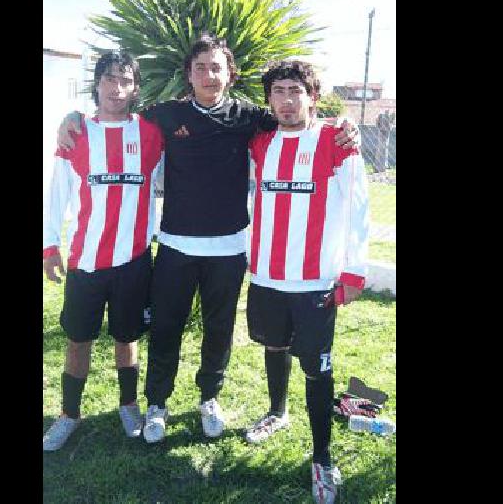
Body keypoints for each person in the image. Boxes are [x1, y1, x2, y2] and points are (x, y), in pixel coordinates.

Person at [56, 33, 358, 445]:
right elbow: (114, 113)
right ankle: (157, 402)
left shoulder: (251, 118)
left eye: (216, 67)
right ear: (189, 75)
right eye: (200, 68)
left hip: (229, 248)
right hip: (176, 246)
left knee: (219, 330)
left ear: (229, 75)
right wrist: (71, 115)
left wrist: (346, 125)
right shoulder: (164, 115)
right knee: (166, 328)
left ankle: (209, 398)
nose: (209, 75)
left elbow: (302, 121)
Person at [243, 60, 369, 503]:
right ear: (269, 99)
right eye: (278, 91)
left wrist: (353, 272)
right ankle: (277, 412)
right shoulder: (260, 141)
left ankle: (322, 458)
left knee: (316, 367)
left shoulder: (336, 140)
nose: (287, 100)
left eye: (295, 90)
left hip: (315, 281)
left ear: (313, 96)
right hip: (266, 275)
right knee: (273, 346)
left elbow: (357, 208)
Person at [42, 51, 163, 451]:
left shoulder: (151, 133)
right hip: (86, 260)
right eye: (109, 79)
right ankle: (69, 415)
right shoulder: (77, 134)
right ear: (97, 84)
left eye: (125, 80)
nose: (116, 87)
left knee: (127, 336)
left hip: (132, 260)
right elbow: (57, 193)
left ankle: (129, 406)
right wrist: (49, 245)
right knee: (79, 338)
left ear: (135, 88)